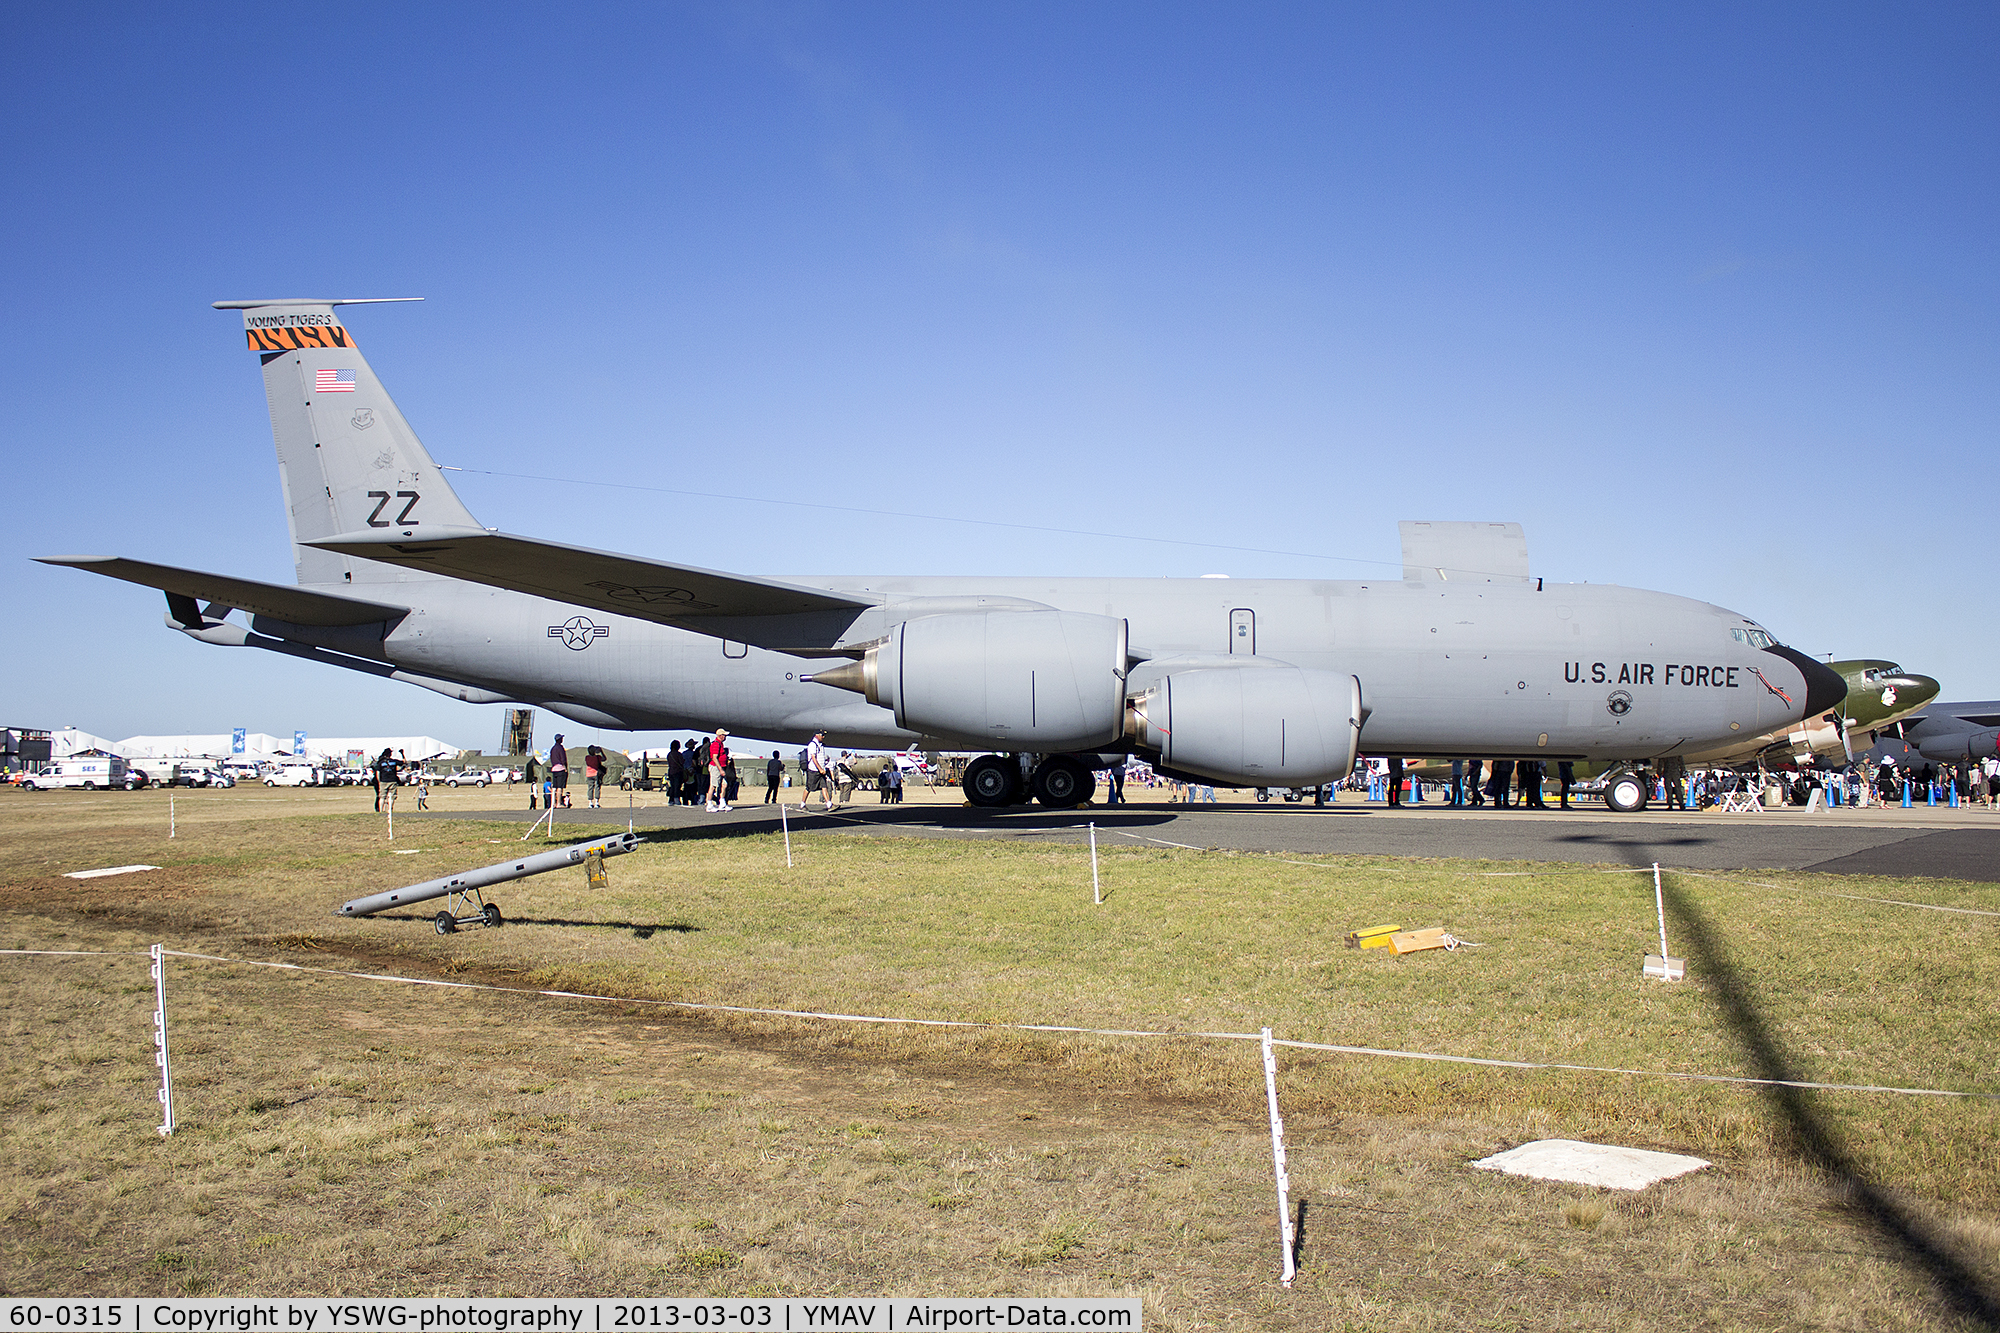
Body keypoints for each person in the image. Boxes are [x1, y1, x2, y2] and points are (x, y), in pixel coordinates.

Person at [806, 732, 834, 810]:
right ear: (816, 735)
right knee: (809, 788)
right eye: (822, 735)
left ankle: (829, 804)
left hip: (821, 770)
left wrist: (823, 769)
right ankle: (803, 803)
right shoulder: (812, 744)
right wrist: (820, 769)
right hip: (813, 770)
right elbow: (813, 758)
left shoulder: (820, 745)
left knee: (824, 786)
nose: (823, 737)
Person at [705, 728, 731, 812]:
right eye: (724, 735)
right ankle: (709, 804)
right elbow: (714, 758)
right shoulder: (716, 744)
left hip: (722, 766)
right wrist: (720, 769)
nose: (725, 737)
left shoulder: (721, 744)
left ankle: (722, 803)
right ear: (720, 736)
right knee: (713, 785)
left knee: (724, 784)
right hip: (716, 767)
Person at [371, 747, 399, 813]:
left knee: (382, 797)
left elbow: (378, 772)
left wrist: (379, 781)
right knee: (392, 796)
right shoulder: (394, 761)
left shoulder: (380, 762)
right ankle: (390, 809)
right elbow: (404, 762)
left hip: (383, 780)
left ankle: (381, 809)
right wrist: (402, 754)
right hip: (392, 780)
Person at [548, 734, 570, 808]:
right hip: (560, 768)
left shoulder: (553, 748)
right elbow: (563, 758)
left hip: (554, 768)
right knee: (560, 787)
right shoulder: (560, 748)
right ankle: (558, 803)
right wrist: (565, 767)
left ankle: (553, 803)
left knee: (554, 787)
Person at [665, 740, 684, 806]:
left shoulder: (669, 754)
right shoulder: (678, 754)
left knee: (672, 786)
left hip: (671, 772)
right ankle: (676, 799)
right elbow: (682, 762)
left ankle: (671, 800)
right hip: (678, 772)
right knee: (677, 786)